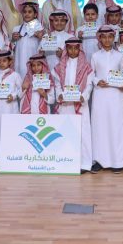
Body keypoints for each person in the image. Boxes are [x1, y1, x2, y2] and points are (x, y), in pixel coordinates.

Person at [90, 26, 123, 173]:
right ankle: (99, 160)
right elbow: (90, 74)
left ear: (114, 38)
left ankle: (118, 161)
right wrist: (97, 81)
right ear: (100, 39)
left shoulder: (119, 56)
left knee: (116, 126)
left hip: (115, 95)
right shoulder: (95, 56)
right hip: (100, 94)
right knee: (100, 126)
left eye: (110, 37)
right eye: (104, 37)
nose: (107, 40)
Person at [53, 37, 95, 173]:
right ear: (66, 49)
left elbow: (89, 85)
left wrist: (84, 96)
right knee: (65, 132)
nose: (73, 51)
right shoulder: (59, 66)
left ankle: (84, 163)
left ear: (79, 49)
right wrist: (59, 94)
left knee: (82, 133)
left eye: (75, 48)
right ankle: (65, 162)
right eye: (70, 48)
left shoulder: (86, 67)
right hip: (65, 105)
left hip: (80, 105)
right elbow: (57, 84)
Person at [11, 1, 44, 80]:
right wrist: (13, 40)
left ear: (35, 14)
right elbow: (12, 47)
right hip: (19, 61)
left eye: (30, 12)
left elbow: (43, 47)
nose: (27, 14)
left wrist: (41, 38)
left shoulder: (40, 28)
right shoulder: (16, 29)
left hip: (34, 62)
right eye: (25, 12)